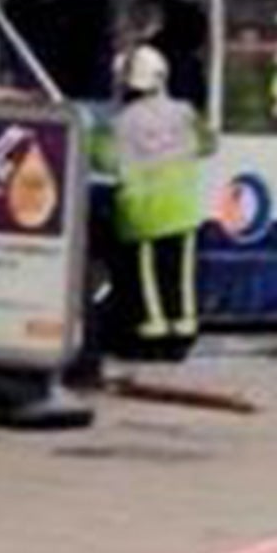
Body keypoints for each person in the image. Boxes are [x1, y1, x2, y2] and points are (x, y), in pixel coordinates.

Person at [94, 44, 210, 360]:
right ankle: (183, 337)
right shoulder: (185, 112)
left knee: (147, 283)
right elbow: (208, 143)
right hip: (182, 212)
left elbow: (102, 161)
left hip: (141, 216)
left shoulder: (118, 123)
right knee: (180, 279)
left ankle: (152, 340)